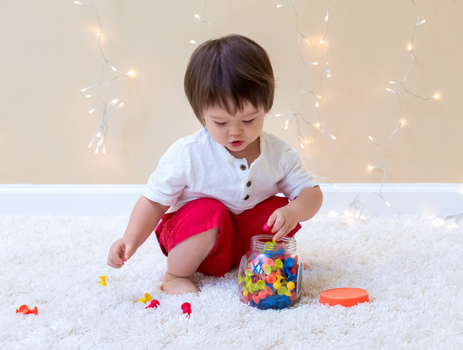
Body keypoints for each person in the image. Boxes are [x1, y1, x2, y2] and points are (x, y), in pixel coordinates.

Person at [107, 34, 323, 295]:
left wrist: (295, 211)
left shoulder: (278, 153)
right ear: (202, 115)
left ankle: (260, 262)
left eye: (249, 120)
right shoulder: (188, 154)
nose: (235, 132)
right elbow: (154, 201)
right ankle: (175, 276)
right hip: (197, 238)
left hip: (243, 242)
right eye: (221, 123)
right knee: (210, 212)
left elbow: (311, 193)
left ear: (266, 107)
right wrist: (130, 238)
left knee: (278, 207)